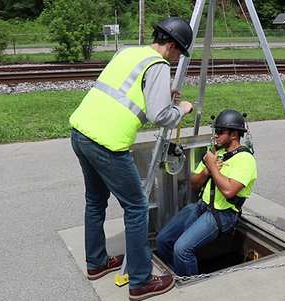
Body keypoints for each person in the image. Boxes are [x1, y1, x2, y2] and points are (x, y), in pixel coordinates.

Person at [69, 17, 194, 301]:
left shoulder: (127, 51)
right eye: (179, 54)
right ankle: (140, 281)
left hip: (80, 131)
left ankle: (96, 263)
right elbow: (160, 116)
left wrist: (162, 95)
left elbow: (125, 92)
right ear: (172, 46)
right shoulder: (159, 65)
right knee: (137, 208)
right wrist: (182, 109)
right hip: (106, 143)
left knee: (95, 201)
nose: (176, 60)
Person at [155, 110, 257, 277]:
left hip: (224, 214)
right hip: (202, 206)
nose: (215, 135)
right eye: (215, 130)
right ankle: (176, 274)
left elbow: (229, 191)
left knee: (182, 249)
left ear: (234, 134)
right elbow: (194, 184)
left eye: (220, 131)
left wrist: (211, 167)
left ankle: (191, 285)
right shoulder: (216, 152)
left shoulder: (245, 160)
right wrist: (207, 171)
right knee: (162, 240)